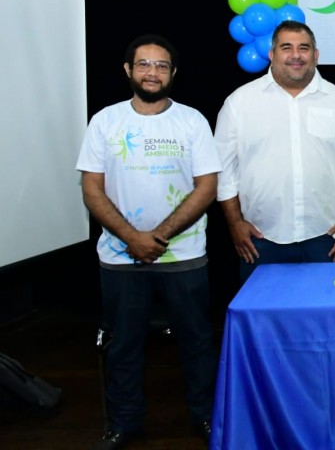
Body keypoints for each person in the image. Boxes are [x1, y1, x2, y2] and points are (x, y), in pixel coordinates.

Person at [76, 35, 220, 450]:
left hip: (184, 255)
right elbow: (91, 189)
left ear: (173, 73)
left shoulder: (192, 121)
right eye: (144, 64)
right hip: (120, 257)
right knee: (124, 345)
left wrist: (158, 237)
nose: (152, 73)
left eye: (161, 66)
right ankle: (124, 422)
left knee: (197, 341)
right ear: (128, 70)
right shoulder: (105, 121)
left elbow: (206, 187)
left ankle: (206, 416)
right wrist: (132, 238)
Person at [214, 20, 335, 281]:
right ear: (271, 54)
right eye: (286, 47)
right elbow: (224, 169)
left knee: (321, 307)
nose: (296, 55)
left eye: (303, 48)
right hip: (260, 238)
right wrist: (235, 223)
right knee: (263, 308)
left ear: (315, 55)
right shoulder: (239, 102)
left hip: (325, 237)